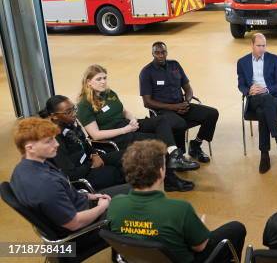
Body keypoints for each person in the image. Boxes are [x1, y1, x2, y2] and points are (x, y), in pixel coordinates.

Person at [107, 140, 246, 263]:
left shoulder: (115, 204)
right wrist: (196, 226)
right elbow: (200, 246)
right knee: (236, 228)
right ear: (161, 172)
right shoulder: (180, 209)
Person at [10, 118, 129, 260]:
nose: (56, 144)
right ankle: (124, 256)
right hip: (80, 232)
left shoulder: (23, 168)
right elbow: (74, 223)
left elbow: (63, 192)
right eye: (49, 141)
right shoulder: (45, 185)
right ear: (30, 147)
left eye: (54, 139)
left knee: (130, 189)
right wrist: (102, 207)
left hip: (77, 206)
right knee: (135, 204)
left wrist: (89, 196)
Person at [77, 64, 198, 191]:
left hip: (127, 125)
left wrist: (132, 119)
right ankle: (170, 180)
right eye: (99, 79)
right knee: (160, 142)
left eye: (104, 78)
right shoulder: (84, 105)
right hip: (117, 136)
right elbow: (96, 135)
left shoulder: (109, 93)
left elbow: (124, 111)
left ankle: (174, 156)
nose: (103, 82)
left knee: (161, 121)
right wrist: (126, 129)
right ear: (89, 82)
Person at [140, 41, 218, 164]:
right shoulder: (146, 72)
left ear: (167, 52)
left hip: (182, 106)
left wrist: (186, 102)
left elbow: (188, 88)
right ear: (152, 53)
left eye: (163, 52)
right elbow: (147, 102)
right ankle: (179, 155)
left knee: (212, 114)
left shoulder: (175, 65)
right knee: (180, 123)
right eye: (157, 53)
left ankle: (196, 145)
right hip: (162, 111)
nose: (160, 55)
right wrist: (173, 107)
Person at [40, 95, 125, 191]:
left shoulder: (70, 124)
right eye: (68, 112)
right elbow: (70, 174)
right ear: (54, 116)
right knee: (114, 172)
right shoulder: (54, 140)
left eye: (74, 109)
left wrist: (94, 154)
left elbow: (85, 142)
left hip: (89, 161)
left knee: (126, 157)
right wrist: (91, 165)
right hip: (81, 175)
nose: (74, 113)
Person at [237, 33, 277, 174]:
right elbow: (241, 85)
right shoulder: (242, 62)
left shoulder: (275, 59)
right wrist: (249, 90)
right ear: (252, 45)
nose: (262, 49)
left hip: (274, 97)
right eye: (259, 46)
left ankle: (264, 155)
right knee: (263, 102)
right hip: (254, 98)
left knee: (264, 109)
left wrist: (266, 89)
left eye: (264, 45)